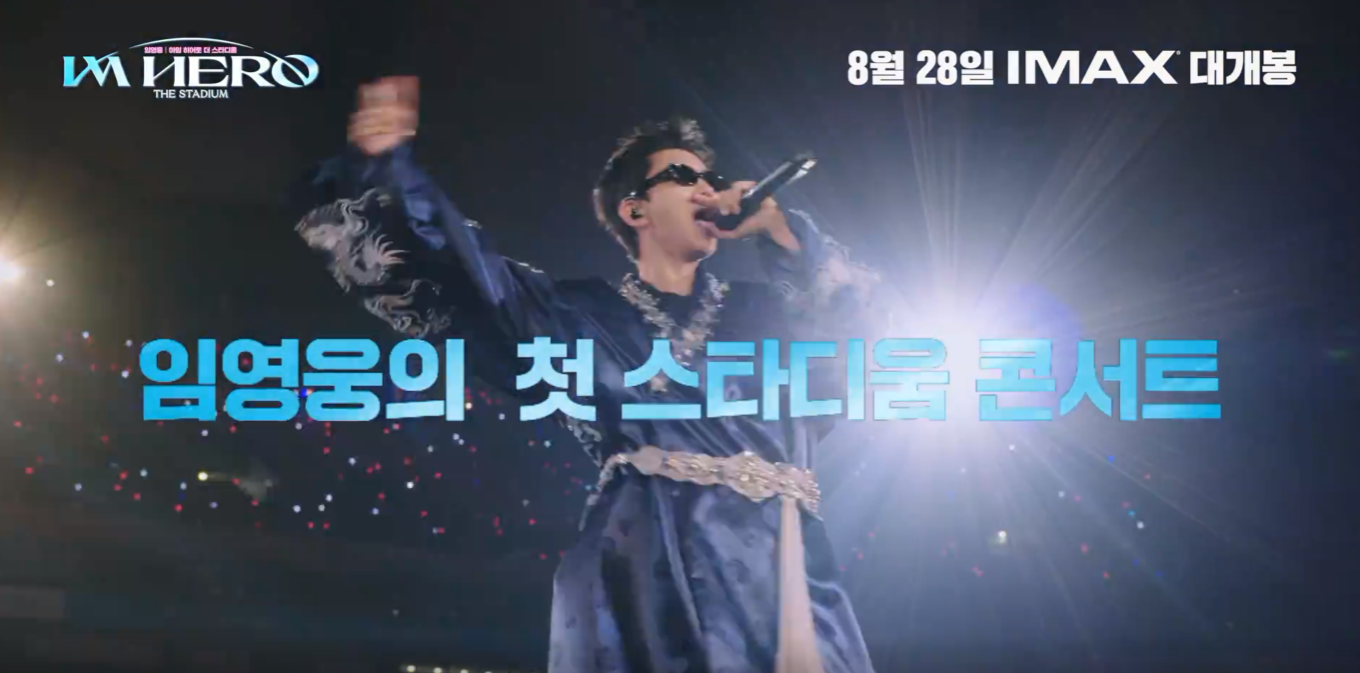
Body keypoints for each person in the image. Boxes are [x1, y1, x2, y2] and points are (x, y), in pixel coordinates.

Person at [294, 75, 879, 673]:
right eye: (683, 175)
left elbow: (865, 344)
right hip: (649, 559)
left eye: (711, 178)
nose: (707, 187)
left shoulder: (770, 313)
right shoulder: (578, 315)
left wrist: (783, 234)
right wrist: (388, 169)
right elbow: (464, 274)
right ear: (635, 209)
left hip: (780, 564)